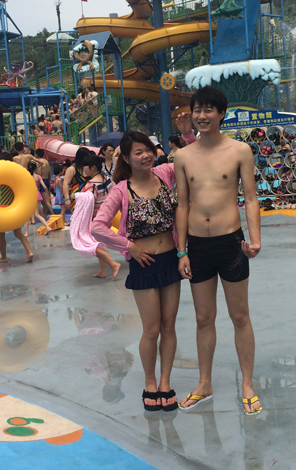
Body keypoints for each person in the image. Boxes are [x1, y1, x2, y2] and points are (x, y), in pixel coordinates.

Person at [91, 130, 196, 413]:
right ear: (126, 159)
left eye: (148, 149)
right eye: (138, 152)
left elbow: (194, 156)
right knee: (151, 329)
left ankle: (165, 382)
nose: (146, 155)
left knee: (169, 326)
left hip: (170, 260)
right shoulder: (120, 190)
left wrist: (188, 134)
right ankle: (150, 383)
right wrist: (130, 247)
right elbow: (97, 227)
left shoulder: (164, 173)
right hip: (144, 265)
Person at [174, 86, 262, 416]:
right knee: (203, 318)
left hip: (231, 243)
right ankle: (204, 383)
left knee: (240, 316)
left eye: (209, 109)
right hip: (198, 245)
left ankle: (248, 384)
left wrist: (254, 240)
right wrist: (181, 251)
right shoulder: (183, 156)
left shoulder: (240, 151)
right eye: (197, 109)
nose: (202, 115)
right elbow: (183, 205)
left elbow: (250, 198)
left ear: (221, 114)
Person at [79, 154, 120, 278]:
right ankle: (102, 271)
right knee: (100, 243)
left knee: (90, 245)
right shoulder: (108, 179)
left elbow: (88, 205)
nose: (84, 169)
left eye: (85, 166)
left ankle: (113, 264)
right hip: (108, 217)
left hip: (95, 220)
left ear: (92, 167)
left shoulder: (91, 186)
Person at [0, 152, 34, 264]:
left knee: (1, 233)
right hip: (15, 207)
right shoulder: (15, 173)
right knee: (18, 233)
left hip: (3, 206)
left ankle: (3, 257)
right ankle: (29, 252)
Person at [24, 161, 51, 236]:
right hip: (37, 194)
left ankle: (26, 232)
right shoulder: (38, 177)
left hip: (29, 195)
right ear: (35, 168)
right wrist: (47, 194)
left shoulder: (26, 176)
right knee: (37, 214)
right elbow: (45, 187)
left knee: (27, 215)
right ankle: (47, 226)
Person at [62, 147, 91, 216]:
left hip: (87, 196)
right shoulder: (72, 169)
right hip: (75, 197)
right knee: (77, 218)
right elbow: (65, 184)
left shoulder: (88, 168)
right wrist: (67, 199)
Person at [35, 148, 54, 217]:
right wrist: (49, 179)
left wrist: (38, 181)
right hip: (47, 180)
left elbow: (39, 173)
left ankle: (52, 213)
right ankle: (45, 214)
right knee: (46, 199)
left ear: (36, 154)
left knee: (45, 200)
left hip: (42, 181)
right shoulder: (46, 161)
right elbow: (49, 172)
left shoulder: (39, 162)